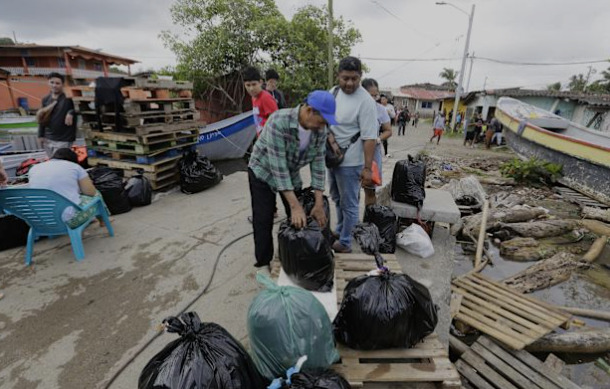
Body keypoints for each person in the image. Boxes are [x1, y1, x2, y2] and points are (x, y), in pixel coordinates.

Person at [248, 90, 337, 269]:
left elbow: (319, 166)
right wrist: (295, 207)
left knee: (299, 217)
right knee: (263, 219)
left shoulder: (320, 130)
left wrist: (318, 204)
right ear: (310, 110)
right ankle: (264, 262)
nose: (322, 126)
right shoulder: (278, 122)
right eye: (321, 121)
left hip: (290, 171)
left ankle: (296, 257)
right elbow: (278, 170)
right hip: (263, 170)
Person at [328, 57, 377, 254]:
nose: (349, 83)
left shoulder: (365, 101)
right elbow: (326, 119)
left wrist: (367, 168)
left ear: (360, 77)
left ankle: (346, 242)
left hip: (351, 163)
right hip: (333, 159)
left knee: (349, 204)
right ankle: (340, 230)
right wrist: (330, 140)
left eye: (354, 79)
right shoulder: (334, 92)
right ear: (338, 76)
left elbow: (370, 138)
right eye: (345, 78)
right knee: (337, 198)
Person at [28, 148, 109, 228]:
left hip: (39, 221)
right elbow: (90, 192)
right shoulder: (74, 167)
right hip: (69, 221)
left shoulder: (34, 168)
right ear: (73, 159)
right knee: (96, 194)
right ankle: (103, 221)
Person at [37, 73, 77, 157]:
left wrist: (71, 112)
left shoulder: (68, 98)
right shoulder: (45, 99)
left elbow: (80, 108)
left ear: (62, 85)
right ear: (48, 83)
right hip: (48, 138)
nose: (54, 85)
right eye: (52, 82)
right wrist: (40, 135)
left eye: (57, 83)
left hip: (64, 139)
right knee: (52, 162)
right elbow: (41, 118)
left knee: (61, 162)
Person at [362, 78, 392, 183]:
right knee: (354, 187)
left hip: (373, 151)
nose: (374, 98)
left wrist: (378, 139)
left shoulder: (380, 109)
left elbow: (388, 131)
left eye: (376, 96)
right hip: (356, 151)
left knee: (370, 186)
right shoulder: (355, 108)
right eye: (371, 95)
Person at [243, 66, 279, 137]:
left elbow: (276, 121)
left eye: (254, 84)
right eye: (248, 85)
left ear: (260, 82)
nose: (251, 88)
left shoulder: (265, 98)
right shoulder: (253, 97)